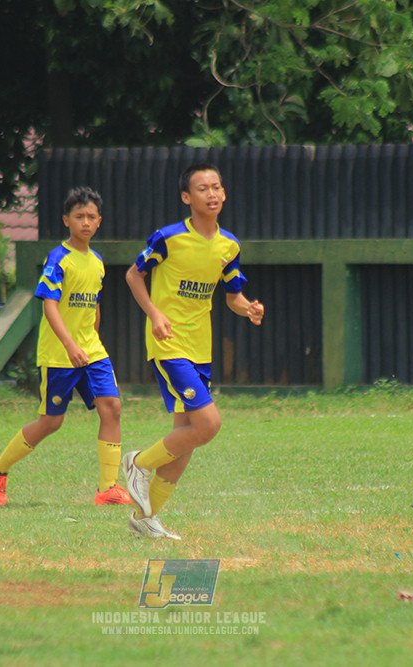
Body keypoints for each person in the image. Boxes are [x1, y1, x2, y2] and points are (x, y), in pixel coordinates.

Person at [122, 163, 265, 540]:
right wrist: (154, 314)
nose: (212, 194)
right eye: (202, 189)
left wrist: (248, 307)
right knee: (208, 425)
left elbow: (232, 295)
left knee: (185, 437)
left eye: (217, 187)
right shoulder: (167, 238)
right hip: (170, 344)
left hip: (201, 348)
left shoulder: (229, 245)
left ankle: (144, 517)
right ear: (187, 198)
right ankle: (137, 463)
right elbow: (133, 275)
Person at [0, 187, 132, 507]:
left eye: (92, 217)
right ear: (67, 220)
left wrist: (92, 339)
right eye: (79, 217)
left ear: (99, 221)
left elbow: (93, 305)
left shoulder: (97, 262)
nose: (86, 222)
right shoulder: (58, 258)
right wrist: (70, 344)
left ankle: (108, 488)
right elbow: (50, 307)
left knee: (112, 408)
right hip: (60, 355)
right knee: (51, 421)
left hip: (92, 351)